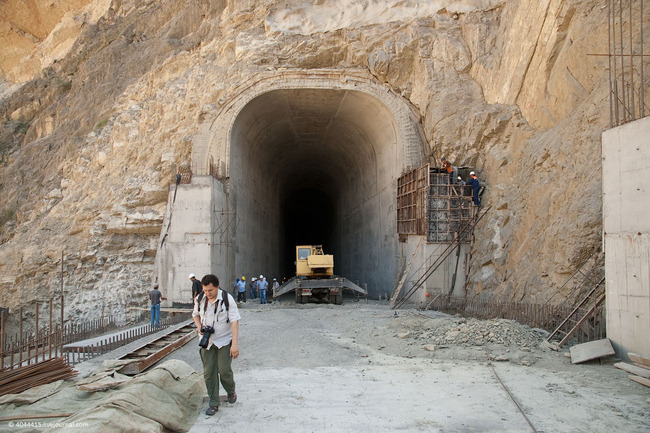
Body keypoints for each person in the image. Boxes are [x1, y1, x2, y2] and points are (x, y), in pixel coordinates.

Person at [192, 274, 240, 416]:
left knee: (224, 370)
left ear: (217, 287)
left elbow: (235, 322)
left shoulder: (227, 299)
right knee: (209, 373)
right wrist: (199, 326)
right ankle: (213, 403)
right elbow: (195, 314)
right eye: (205, 290)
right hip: (207, 342)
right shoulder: (200, 299)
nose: (207, 293)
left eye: (210, 290)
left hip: (224, 341)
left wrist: (234, 345)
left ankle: (230, 390)